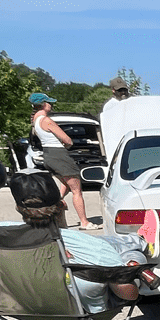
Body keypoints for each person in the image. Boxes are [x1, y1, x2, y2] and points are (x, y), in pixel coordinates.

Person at [4, 173, 158, 311]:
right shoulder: (94, 248)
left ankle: (135, 248)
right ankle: (137, 248)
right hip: (87, 312)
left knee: (104, 244)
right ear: (61, 205)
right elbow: (130, 295)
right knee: (118, 251)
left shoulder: (1, 236)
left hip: (32, 308)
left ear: (18, 208)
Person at [29, 92, 96, 230]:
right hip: (59, 154)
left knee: (65, 185)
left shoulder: (35, 120)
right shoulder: (46, 120)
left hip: (48, 155)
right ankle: (84, 222)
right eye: (49, 103)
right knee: (77, 190)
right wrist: (67, 145)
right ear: (43, 104)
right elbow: (67, 139)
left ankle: (55, 209)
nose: (51, 105)